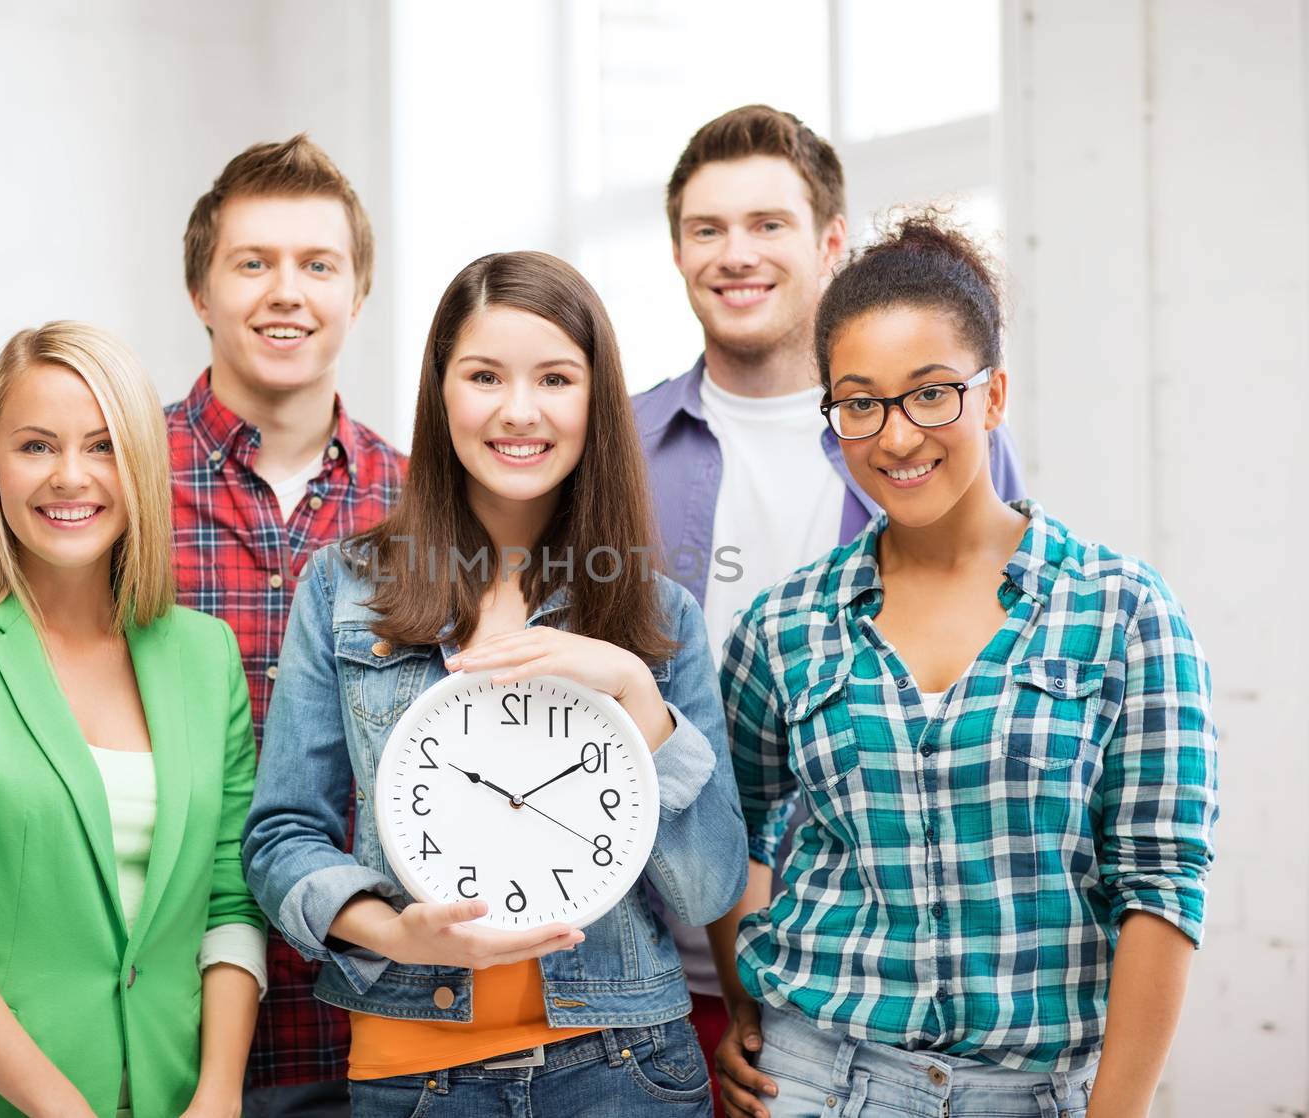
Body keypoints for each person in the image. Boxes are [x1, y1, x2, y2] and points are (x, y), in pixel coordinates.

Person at [712, 215, 1219, 1118]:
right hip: (817, 1079)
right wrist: (743, 998)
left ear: (993, 396)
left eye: (931, 393)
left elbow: (1162, 886)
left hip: (1038, 1092)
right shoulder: (784, 625)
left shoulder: (1124, 611)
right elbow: (735, 830)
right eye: (859, 402)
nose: (897, 437)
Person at [243, 251, 749, 1116]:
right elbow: (282, 837)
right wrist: (391, 932)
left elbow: (709, 889)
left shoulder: (657, 615)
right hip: (414, 1075)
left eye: (555, 378)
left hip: (626, 1067)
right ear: (442, 393)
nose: (520, 411)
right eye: (485, 376)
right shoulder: (345, 588)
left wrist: (634, 690)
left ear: (596, 397)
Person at [630, 106, 1028, 1107]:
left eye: (768, 223)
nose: (736, 254)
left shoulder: (930, 440)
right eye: (706, 228)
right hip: (649, 966)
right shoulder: (618, 447)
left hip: (879, 974)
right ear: (676, 249)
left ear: (830, 242)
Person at [0, 322, 268, 1117]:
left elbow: (229, 902)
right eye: (36, 446)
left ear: (142, 464)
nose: (70, 477)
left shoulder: (205, 656)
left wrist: (217, 1093)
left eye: (103, 446)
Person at [168, 135, 407, 1116]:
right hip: (165, 1017)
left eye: (318, 265)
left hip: (377, 1021)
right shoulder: (117, 492)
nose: (286, 291)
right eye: (252, 262)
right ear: (201, 290)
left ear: (357, 295)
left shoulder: (425, 508)